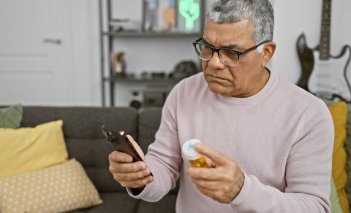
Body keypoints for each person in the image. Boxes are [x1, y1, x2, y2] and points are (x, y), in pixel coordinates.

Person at [108, 0, 334, 212]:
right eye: (207, 47)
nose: (214, 63)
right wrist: (140, 177)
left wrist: (243, 191)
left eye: (231, 52)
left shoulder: (308, 113)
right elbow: (164, 167)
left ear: (266, 53)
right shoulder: (184, 92)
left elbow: (314, 206)